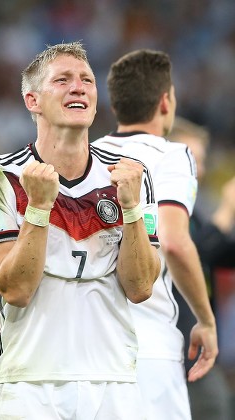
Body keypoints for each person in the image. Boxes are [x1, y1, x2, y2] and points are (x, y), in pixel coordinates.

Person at [0, 42, 161, 420]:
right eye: (63, 80)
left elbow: (140, 288)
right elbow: (17, 290)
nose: (79, 87)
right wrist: (39, 208)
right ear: (32, 100)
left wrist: (132, 208)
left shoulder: (131, 176)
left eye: (87, 80)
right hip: (29, 382)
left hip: (113, 380)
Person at [93, 49, 218, 420]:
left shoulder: (86, 157)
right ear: (166, 102)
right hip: (147, 347)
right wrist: (206, 320)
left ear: (115, 107)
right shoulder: (173, 155)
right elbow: (174, 240)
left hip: (87, 352)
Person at [169, 116, 235, 420]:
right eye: (194, 159)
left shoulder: (192, 216)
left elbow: (222, 253)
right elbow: (195, 252)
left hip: (195, 355)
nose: (203, 170)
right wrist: (227, 208)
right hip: (176, 357)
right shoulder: (163, 213)